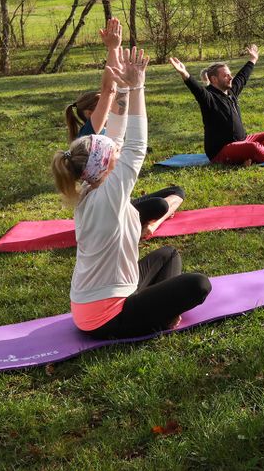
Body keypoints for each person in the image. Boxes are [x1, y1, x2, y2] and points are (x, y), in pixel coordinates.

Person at [51, 47, 211, 340]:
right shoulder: (109, 193)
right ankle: (161, 318)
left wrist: (123, 89)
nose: (117, 151)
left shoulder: (90, 182)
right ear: (106, 165)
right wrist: (137, 86)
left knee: (168, 255)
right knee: (199, 285)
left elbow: (116, 136)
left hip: (97, 302)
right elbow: (136, 145)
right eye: (113, 154)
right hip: (105, 319)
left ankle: (159, 311)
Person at [66, 18, 184, 237]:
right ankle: (151, 224)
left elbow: (117, 134)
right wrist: (116, 53)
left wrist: (124, 84)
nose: (109, 106)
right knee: (160, 205)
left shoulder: (90, 169)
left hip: (112, 202)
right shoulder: (92, 134)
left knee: (175, 192)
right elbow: (134, 143)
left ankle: (150, 223)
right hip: (113, 205)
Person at [169, 44, 264, 165]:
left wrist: (253, 59)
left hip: (242, 141)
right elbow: (197, 90)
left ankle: (250, 156)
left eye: (230, 75)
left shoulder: (230, 92)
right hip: (222, 150)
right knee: (252, 147)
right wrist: (184, 74)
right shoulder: (209, 97)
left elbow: (242, 77)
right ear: (214, 79)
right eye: (226, 76)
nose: (231, 78)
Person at [65, 18, 125, 139]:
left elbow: (115, 90)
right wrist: (113, 48)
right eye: (107, 107)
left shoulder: (104, 131)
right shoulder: (89, 134)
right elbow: (108, 91)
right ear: (90, 113)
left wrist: (116, 50)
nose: (111, 107)